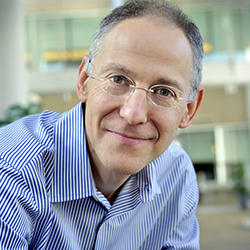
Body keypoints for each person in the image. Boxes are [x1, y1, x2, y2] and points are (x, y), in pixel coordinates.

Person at [0, 0, 204, 249]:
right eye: (118, 79)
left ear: (189, 110)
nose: (133, 113)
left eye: (163, 91)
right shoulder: (10, 173)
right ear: (84, 81)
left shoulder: (176, 175)